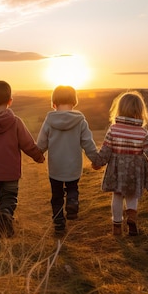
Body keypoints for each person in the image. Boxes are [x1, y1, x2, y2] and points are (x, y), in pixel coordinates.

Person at [0, 80, 45, 238]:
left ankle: (0, 220)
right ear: (10, 101)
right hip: (11, 171)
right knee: (10, 197)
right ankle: (5, 216)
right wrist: (38, 156)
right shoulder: (16, 122)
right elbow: (28, 144)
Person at [94, 91, 148, 236]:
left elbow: (106, 150)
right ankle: (132, 217)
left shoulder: (113, 129)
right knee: (132, 196)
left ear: (119, 109)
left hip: (117, 170)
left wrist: (98, 162)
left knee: (117, 196)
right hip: (135, 170)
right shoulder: (143, 132)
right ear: (140, 111)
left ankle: (117, 226)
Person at [36, 85, 100, 232]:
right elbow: (88, 144)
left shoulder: (49, 121)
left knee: (56, 196)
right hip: (73, 167)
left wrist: (38, 155)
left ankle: (59, 222)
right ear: (74, 102)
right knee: (72, 187)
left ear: (54, 103)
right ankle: (72, 202)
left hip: (55, 168)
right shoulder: (80, 122)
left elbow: (41, 143)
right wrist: (95, 160)